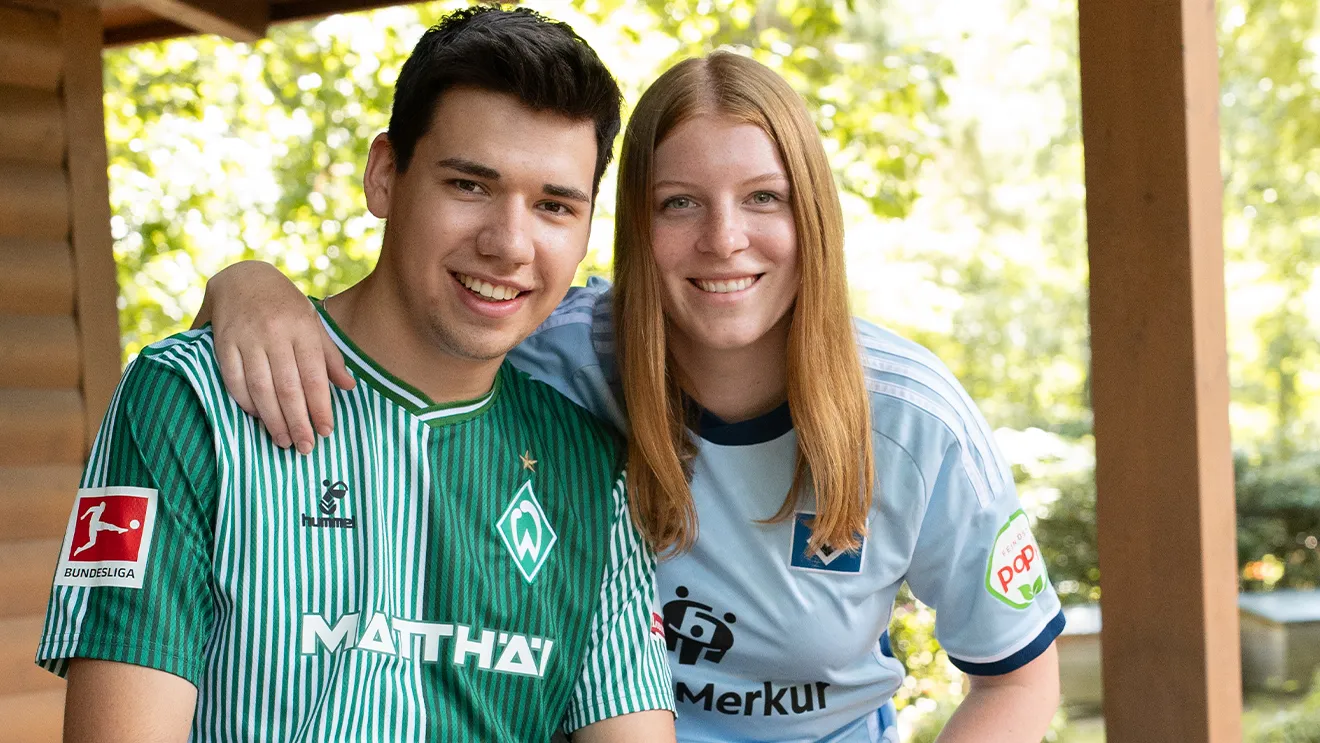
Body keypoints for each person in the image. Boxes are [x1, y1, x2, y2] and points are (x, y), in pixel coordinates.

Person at [197, 51, 1064, 743]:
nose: (724, 239)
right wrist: (247, 284)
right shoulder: (555, 356)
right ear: (632, 228)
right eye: (680, 202)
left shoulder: (912, 419)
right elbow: (389, 335)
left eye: (764, 198)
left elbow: (1019, 675)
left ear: (815, 218)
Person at [35, 7, 677, 741]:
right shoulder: (192, 401)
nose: (509, 243)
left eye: (555, 205)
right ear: (384, 175)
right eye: (469, 185)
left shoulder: (590, 470)